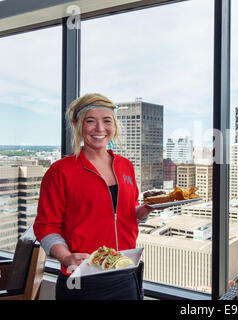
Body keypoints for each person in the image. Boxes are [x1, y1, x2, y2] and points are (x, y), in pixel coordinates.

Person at [34, 93, 154, 300]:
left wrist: (145, 210)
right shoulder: (60, 171)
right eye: (90, 121)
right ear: (77, 125)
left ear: (114, 125)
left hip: (126, 273)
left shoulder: (125, 165)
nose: (100, 128)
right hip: (81, 277)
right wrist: (65, 256)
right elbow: (45, 226)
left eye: (107, 121)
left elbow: (126, 211)